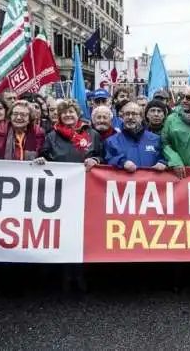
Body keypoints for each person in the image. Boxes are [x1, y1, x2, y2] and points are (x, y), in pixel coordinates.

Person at [34, 99, 103, 293]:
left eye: (71, 112)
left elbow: (102, 156)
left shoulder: (92, 134)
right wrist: (41, 161)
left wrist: (96, 159)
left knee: (82, 233)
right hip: (61, 193)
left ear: (78, 113)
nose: (68, 115)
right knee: (64, 234)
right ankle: (65, 276)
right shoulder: (51, 136)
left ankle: (80, 275)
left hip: (87, 191)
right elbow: (44, 156)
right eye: (64, 113)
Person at [104, 101, 167, 170]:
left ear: (141, 117)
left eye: (134, 114)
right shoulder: (112, 141)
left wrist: (163, 162)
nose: (130, 117)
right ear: (122, 117)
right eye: (127, 114)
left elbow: (166, 157)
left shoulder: (156, 139)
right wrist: (122, 162)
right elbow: (108, 159)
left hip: (151, 180)